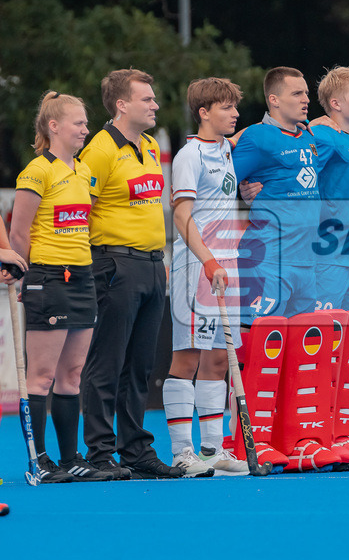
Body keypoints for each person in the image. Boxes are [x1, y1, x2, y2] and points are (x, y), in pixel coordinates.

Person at [78, 69, 181, 479]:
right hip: (114, 263)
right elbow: (79, 210)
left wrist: (159, 261)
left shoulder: (152, 145)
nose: (155, 104)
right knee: (107, 362)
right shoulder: (99, 150)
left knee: (140, 365)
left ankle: (135, 451)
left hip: (153, 263)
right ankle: (100, 453)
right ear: (122, 105)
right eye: (147, 99)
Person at [9, 91, 110, 482]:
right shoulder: (37, 171)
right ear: (54, 127)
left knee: (72, 375)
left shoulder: (83, 171)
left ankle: (71, 459)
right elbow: (19, 233)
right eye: (79, 123)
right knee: (43, 376)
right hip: (50, 277)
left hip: (82, 275)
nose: (86, 129)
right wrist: (26, 275)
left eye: (86, 123)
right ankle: (40, 460)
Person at [163, 77, 249, 477]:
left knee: (217, 360)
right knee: (187, 357)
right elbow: (181, 216)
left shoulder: (227, 151)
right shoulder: (189, 155)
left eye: (235, 107)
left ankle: (213, 450)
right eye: (226, 107)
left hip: (226, 268)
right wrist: (210, 262)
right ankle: (183, 452)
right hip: (196, 267)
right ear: (204, 112)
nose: (234, 113)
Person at [232, 67, 321, 324]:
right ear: (274, 100)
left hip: (306, 265)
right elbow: (222, 183)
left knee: (301, 358)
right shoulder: (257, 136)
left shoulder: (308, 136)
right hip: (268, 261)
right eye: (297, 93)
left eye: (306, 93)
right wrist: (242, 192)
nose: (306, 99)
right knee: (260, 354)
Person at [310, 66, 349, 311]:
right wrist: (255, 185)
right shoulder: (323, 134)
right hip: (330, 251)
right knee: (320, 337)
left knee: (348, 339)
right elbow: (294, 172)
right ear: (336, 103)